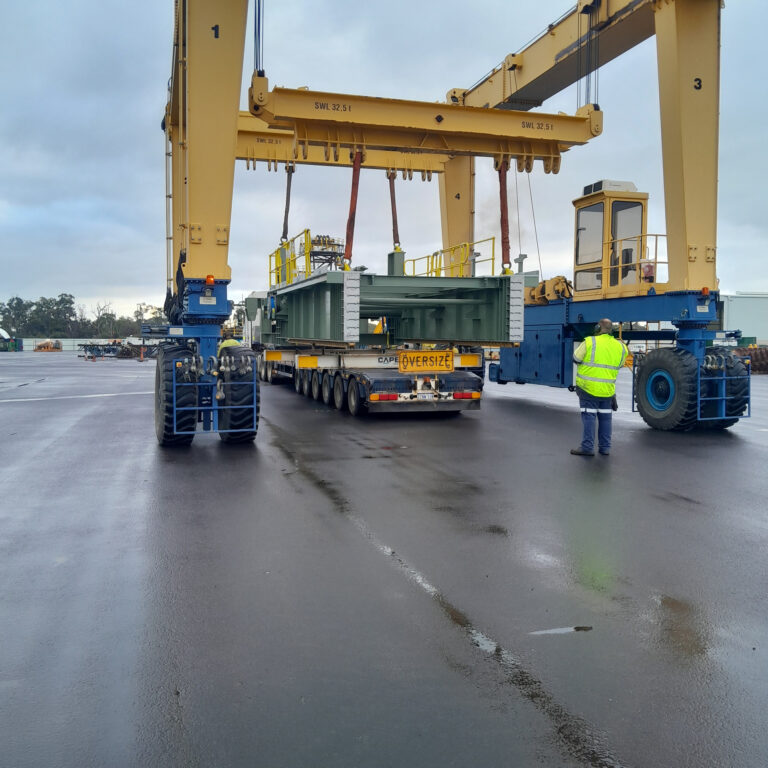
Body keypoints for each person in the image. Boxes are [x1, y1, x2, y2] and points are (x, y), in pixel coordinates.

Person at [570, 318, 628, 457]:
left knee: (589, 416)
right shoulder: (621, 347)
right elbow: (620, 365)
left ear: (597, 328)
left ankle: (587, 447)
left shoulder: (590, 342)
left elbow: (576, 358)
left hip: (588, 388)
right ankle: (605, 448)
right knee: (605, 418)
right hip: (608, 390)